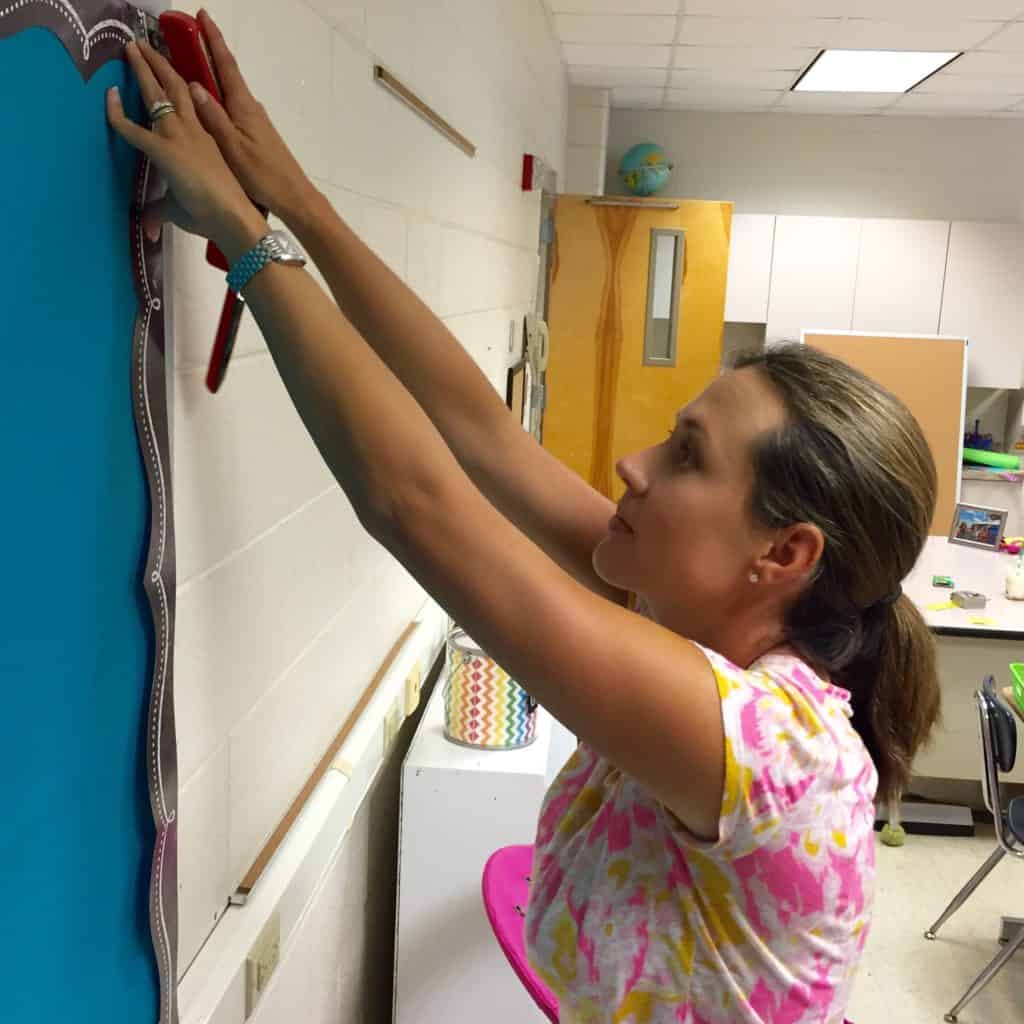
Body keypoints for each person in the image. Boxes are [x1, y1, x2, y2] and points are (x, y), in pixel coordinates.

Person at [107, 17, 941, 1023]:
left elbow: (414, 505)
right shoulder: (688, 628)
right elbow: (478, 436)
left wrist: (246, 236)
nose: (633, 466)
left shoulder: (771, 749)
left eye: (685, 458)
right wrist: (291, 199)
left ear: (783, 554)